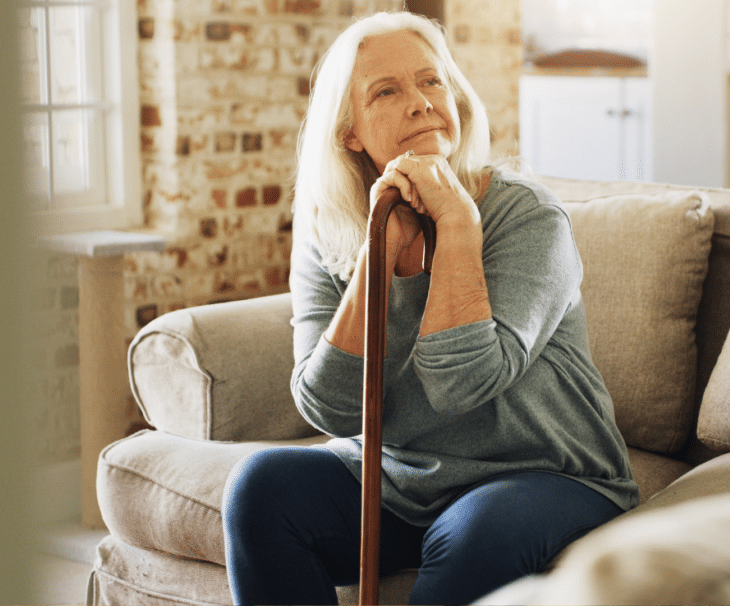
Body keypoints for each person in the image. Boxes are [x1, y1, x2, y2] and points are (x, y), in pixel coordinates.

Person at [221, 11, 639, 605]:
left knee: (475, 533)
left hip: (545, 475)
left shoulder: (528, 218)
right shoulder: (327, 230)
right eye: (387, 91)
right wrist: (376, 252)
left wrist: (459, 226)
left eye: (432, 81)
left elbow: (462, 384)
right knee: (260, 489)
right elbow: (328, 408)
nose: (420, 103)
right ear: (351, 132)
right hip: (398, 478)